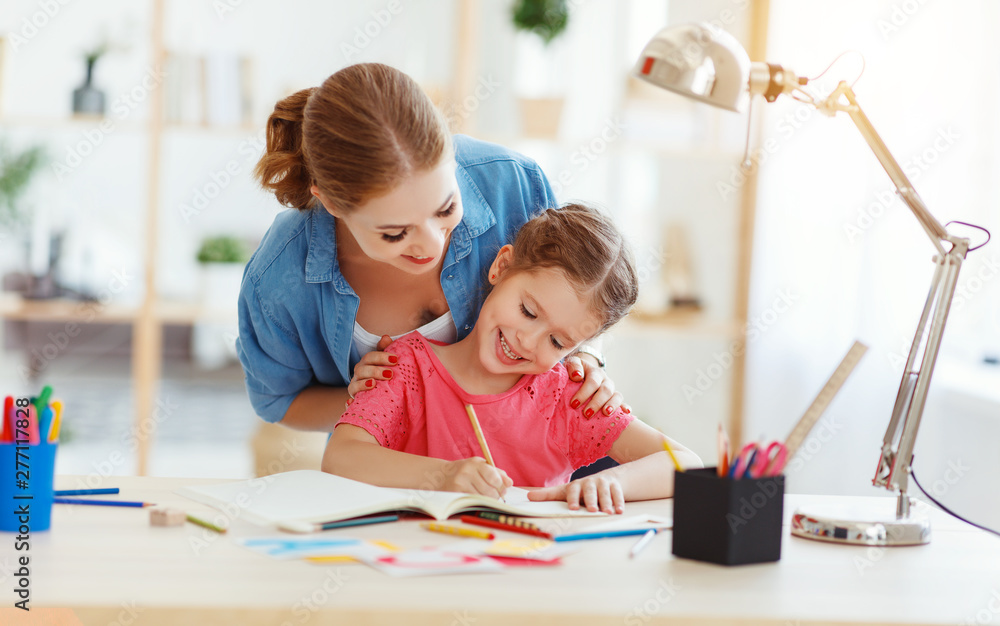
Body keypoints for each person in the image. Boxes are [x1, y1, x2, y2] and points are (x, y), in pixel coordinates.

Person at [237, 63, 626, 434]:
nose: (432, 244)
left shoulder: (514, 184)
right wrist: (359, 399)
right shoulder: (278, 277)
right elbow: (280, 402)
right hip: (391, 475)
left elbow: (583, 291)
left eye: (446, 208)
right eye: (395, 233)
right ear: (333, 204)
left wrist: (586, 358)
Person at [323, 205, 702, 514]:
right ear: (501, 267)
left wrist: (613, 481)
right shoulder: (406, 368)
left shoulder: (565, 397)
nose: (526, 340)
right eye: (528, 311)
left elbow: (686, 464)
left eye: (557, 341)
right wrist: (442, 476)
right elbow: (341, 457)